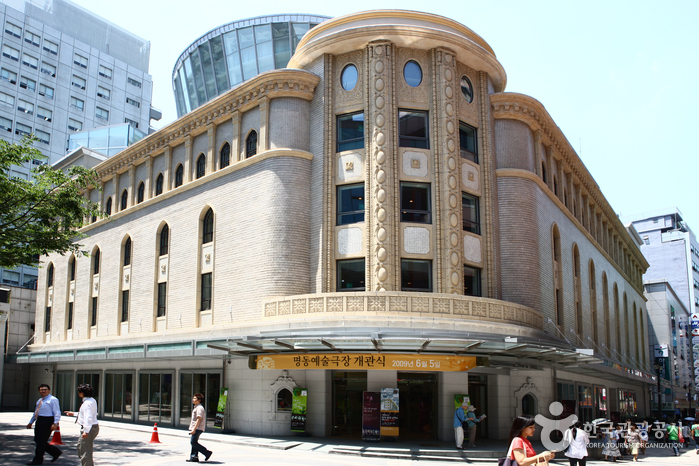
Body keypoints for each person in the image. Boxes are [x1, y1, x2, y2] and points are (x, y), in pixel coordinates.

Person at [26, 383, 62, 465]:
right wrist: (31, 422)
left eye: (45, 390)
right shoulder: (40, 400)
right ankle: (55, 452)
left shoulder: (53, 399)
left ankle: (38, 460)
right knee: (37, 440)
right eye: (41, 390)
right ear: (39, 391)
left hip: (48, 421)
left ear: (49, 390)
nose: (43, 391)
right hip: (40, 420)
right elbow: (36, 412)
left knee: (41, 441)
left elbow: (57, 412)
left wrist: (55, 423)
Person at [65, 383, 99, 466]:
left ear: (82, 393)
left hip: (89, 428)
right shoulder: (92, 400)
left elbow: (88, 417)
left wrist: (86, 431)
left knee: (84, 450)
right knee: (83, 448)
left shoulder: (87, 403)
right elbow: (86, 414)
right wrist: (73, 414)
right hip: (93, 427)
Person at [187, 393, 212, 462]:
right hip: (196, 428)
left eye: (195, 398)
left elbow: (199, 419)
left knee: (193, 442)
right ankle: (194, 457)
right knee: (194, 442)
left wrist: (194, 429)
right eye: (193, 398)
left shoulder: (199, 408)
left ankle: (207, 452)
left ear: (199, 400)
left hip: (197, 428)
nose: (193, 400)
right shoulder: (197, 407)